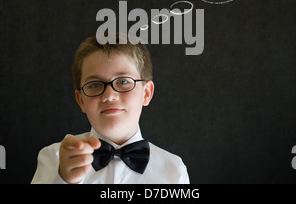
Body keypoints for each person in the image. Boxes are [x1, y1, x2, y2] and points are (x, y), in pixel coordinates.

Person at [31, 34, 189, 184]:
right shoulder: (55, 157)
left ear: (146, 93)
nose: (109, 96)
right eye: (94, 85)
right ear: (81, 100)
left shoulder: (174, 169)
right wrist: (63, 180)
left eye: (123, 81)